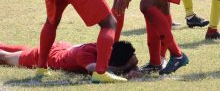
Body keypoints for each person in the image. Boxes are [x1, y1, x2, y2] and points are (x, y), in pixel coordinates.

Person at [0, 41, 139, 80]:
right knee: (5, 57)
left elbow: (133, 60)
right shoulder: (86, 55)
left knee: (20, 51)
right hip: (48, 56)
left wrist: (133, 69)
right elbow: (94, 69)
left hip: (63, 48)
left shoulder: (108, 47)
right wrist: (123, 69)